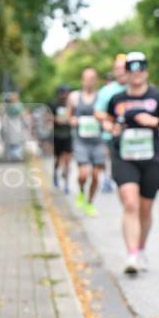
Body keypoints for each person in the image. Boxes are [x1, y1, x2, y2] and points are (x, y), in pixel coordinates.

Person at [96, 52, 159, 275]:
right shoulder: (117, 99)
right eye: (132, 70)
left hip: (151, 158)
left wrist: (154, 121)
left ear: (146, 71)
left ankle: (141, 248)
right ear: (125, 73)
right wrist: (111, 127)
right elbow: (106, 120)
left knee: (145, 208)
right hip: (124, 157)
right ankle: (132, 255)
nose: (136, 74)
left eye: (141, 69)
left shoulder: (158, 96)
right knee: (130, 203)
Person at [66, 67, 106, 216]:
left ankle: (89, 202)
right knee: (83, 174)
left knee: (95, 175)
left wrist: (103, 120)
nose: (89, 81)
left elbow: (108, 115)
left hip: (98, 141)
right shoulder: (74, 97)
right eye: (86, 78)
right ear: (82, 80)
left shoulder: (101, 97)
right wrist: (73, 121)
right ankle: (82, 191)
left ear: (96, 80)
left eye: (92, 78)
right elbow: (68, 116)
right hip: (81, 141)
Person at [95, 55, 129, 193]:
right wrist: (114, 120)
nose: (121, 71)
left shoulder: (137, 87)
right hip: (111, 134)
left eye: (123, 67)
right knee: (110, 157)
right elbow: (98, 112)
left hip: (133, 135)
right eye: (117, 68)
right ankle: (107, 179)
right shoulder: (106, 91)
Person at [49, 85, 73, 192]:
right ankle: (55, 173)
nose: (64, 95)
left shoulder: (71, 105)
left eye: (66, 93)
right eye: (62, 93)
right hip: (57, 135)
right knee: (58, 159)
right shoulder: (54, 105)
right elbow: (48, 117)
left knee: (68, 159)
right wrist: (56, 120)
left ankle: (66, 183)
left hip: (68, 135)